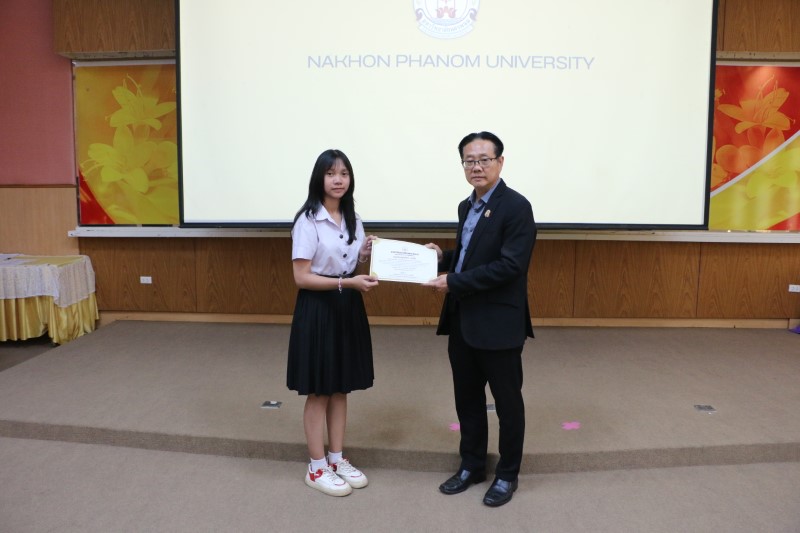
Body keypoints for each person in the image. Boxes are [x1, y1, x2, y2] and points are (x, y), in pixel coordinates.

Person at [423, 131, 536, 507]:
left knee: (507, 404)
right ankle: (472, 465)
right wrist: (443, 258)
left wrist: (453, 281)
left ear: (500, 162)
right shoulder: (465, 206)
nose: (476, 166)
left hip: (499, 324)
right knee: (467, 400)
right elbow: (472, 254)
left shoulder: (516, 207)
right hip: (463, 322)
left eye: (484, 159)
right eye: (469, 160)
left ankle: (507, 474)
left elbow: (509, 265)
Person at [287, 149, 378, 497]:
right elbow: (301, 277)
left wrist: (364, 255)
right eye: (330, 174)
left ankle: (337, 459)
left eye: (344, 174)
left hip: (347, 305)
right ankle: (316, 466)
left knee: (341, 387)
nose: (338, 180)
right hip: (319, 308)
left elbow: (350, 264)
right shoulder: (308, 221)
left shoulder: (354, 218)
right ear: (319, 179)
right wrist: (348, 282)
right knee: (320, 389)